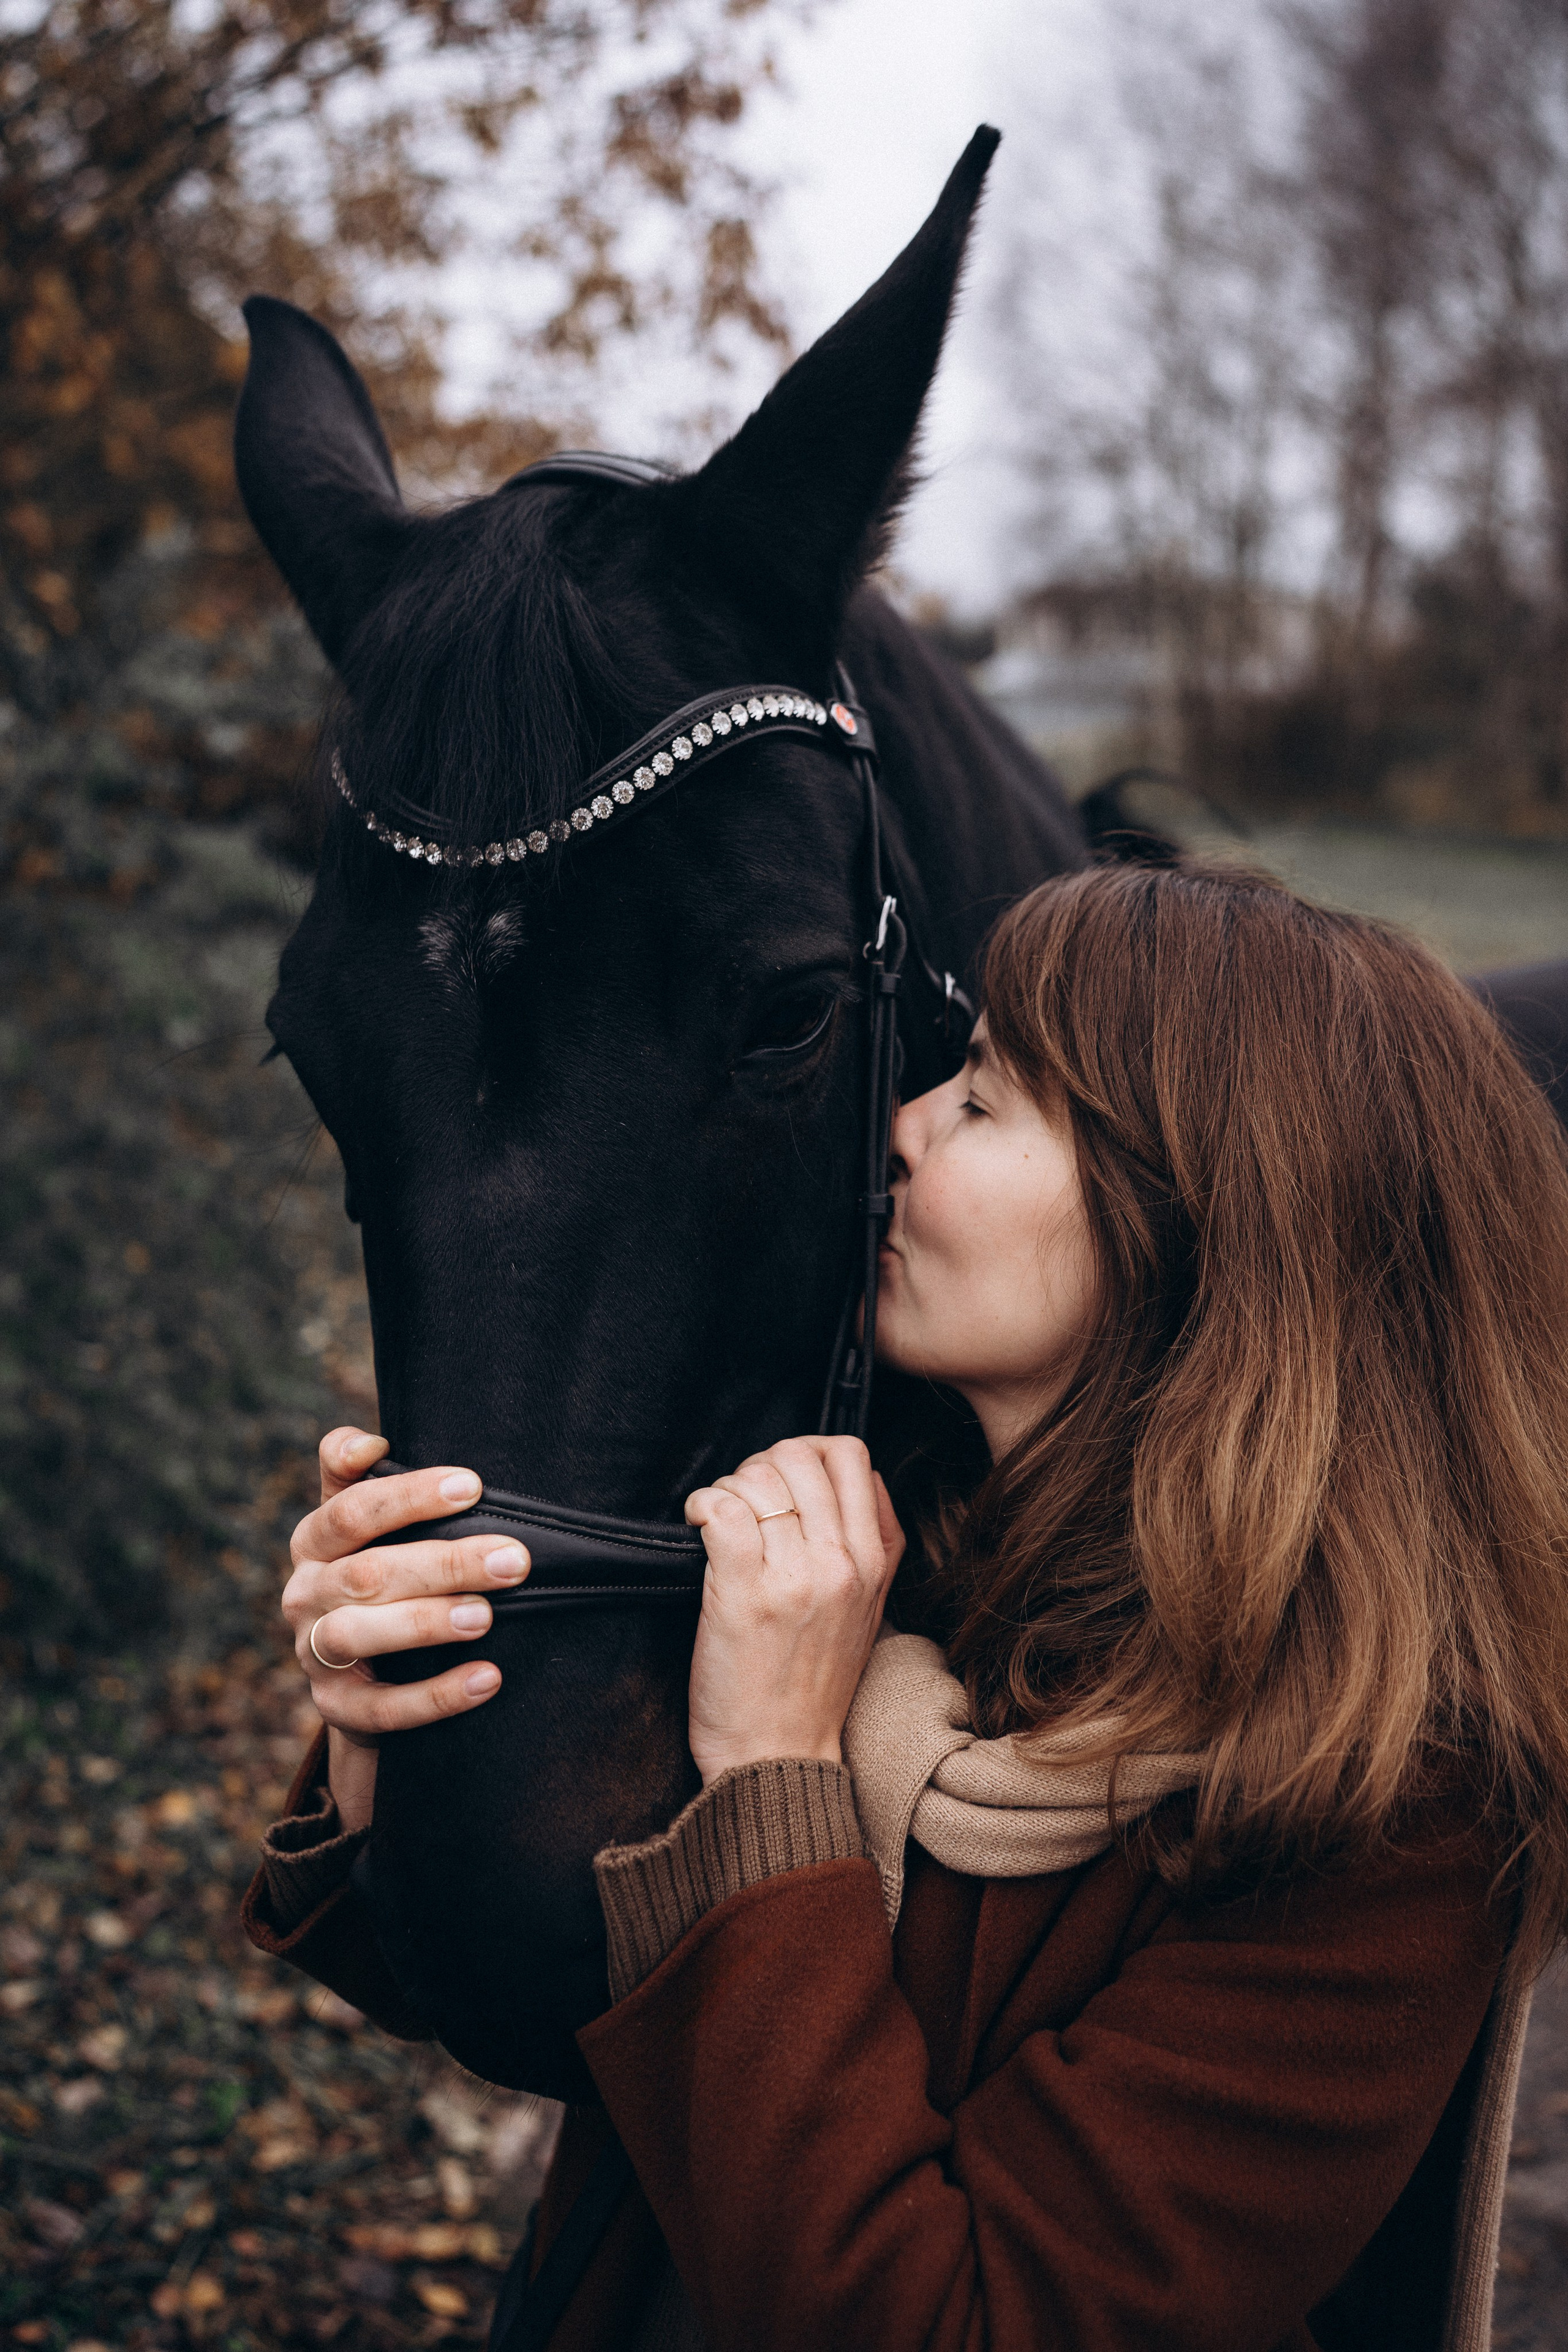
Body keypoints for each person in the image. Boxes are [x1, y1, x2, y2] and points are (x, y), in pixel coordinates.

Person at [243, 861, 1568, 2352]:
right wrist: (392, 1730)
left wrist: (770, 1777)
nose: (896, 1128)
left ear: (1204, 1222)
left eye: (982, 1100)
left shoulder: (1391, 1814)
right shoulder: (874, 1548)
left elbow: (959, 2325)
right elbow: (548, 2005)